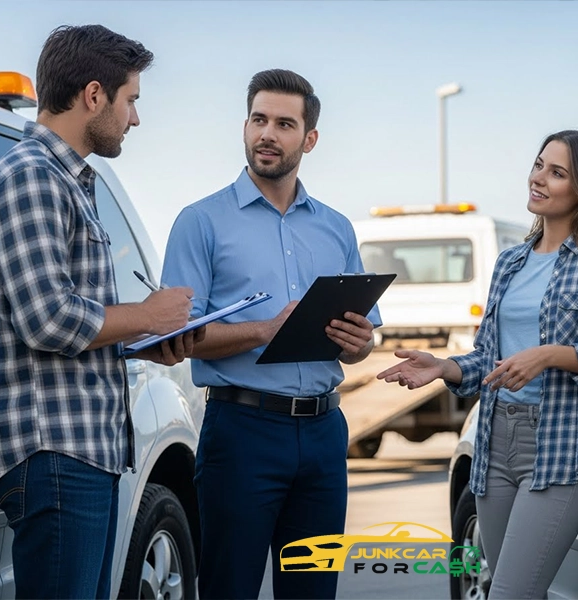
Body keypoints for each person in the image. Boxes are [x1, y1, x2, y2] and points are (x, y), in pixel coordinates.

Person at [0, 25, 202, 599]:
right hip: (53, 450)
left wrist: (142, 340)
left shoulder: (71, 182)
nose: (134, 119)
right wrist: (149, 315)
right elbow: (49, 319)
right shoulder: (31, 176)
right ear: (95, 95)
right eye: (130, 101)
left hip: (81, 449)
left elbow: (76, 319)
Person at [378, 130, 578, 599]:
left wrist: (552, 357)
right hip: (493, 440)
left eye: (557, 173)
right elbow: (487, 357)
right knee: (510, 588)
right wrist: (442, 366)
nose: (538, 178)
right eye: (539, 164)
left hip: (559, 448)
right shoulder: (509, 263)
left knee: (510, 593)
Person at [161, 68, 379, 599]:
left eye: (284, 124)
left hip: (326, 434)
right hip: (241, 431)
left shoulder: (337, 228)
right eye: (259, 119)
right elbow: (172, 335)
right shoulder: (201, 222)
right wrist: (266, 328)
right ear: (244, 125)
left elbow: (364, 340)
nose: (267, 134)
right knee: (228, 587)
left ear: (309, 139)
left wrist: (361, 342)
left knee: (313, 592)